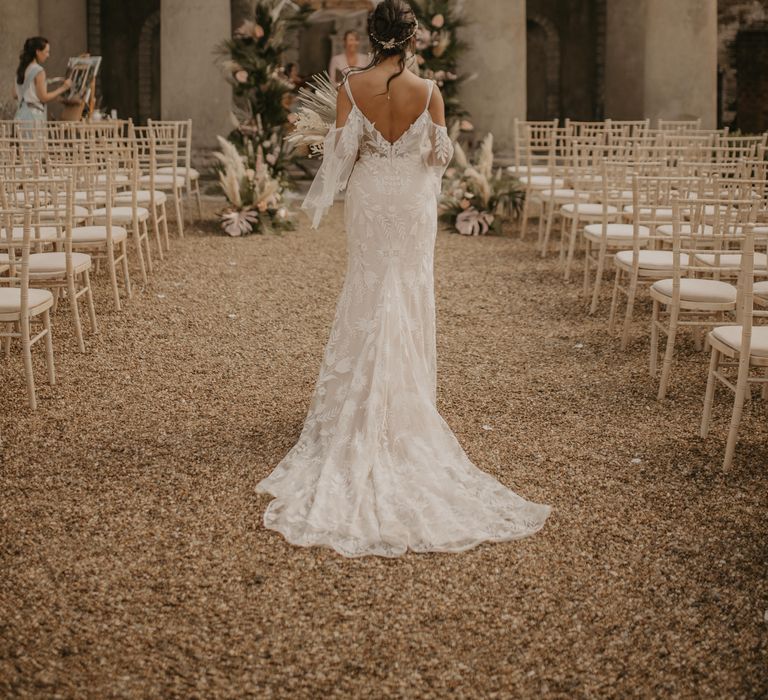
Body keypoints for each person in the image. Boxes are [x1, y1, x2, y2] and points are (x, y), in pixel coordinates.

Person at [256, 0, 551, 557]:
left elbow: (342, 156)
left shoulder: (349, 85)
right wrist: (411, 148)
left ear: (371, 37)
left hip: (370, 199)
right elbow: (439, 159)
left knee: (367, 287)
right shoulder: (430, 90)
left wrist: (362, 150)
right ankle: (405, 400)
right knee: (408, 289)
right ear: (411, 39)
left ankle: (358, 400)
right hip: (411, 204)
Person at [13, 37, 71, 124]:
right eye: (46, 52)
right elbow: (43, 98)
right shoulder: (39, 70)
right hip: (33, 117)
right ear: (38, 52)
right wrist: (63, 88)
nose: (48, 55)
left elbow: (14, 94)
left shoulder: (22, 69)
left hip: (20, 116)